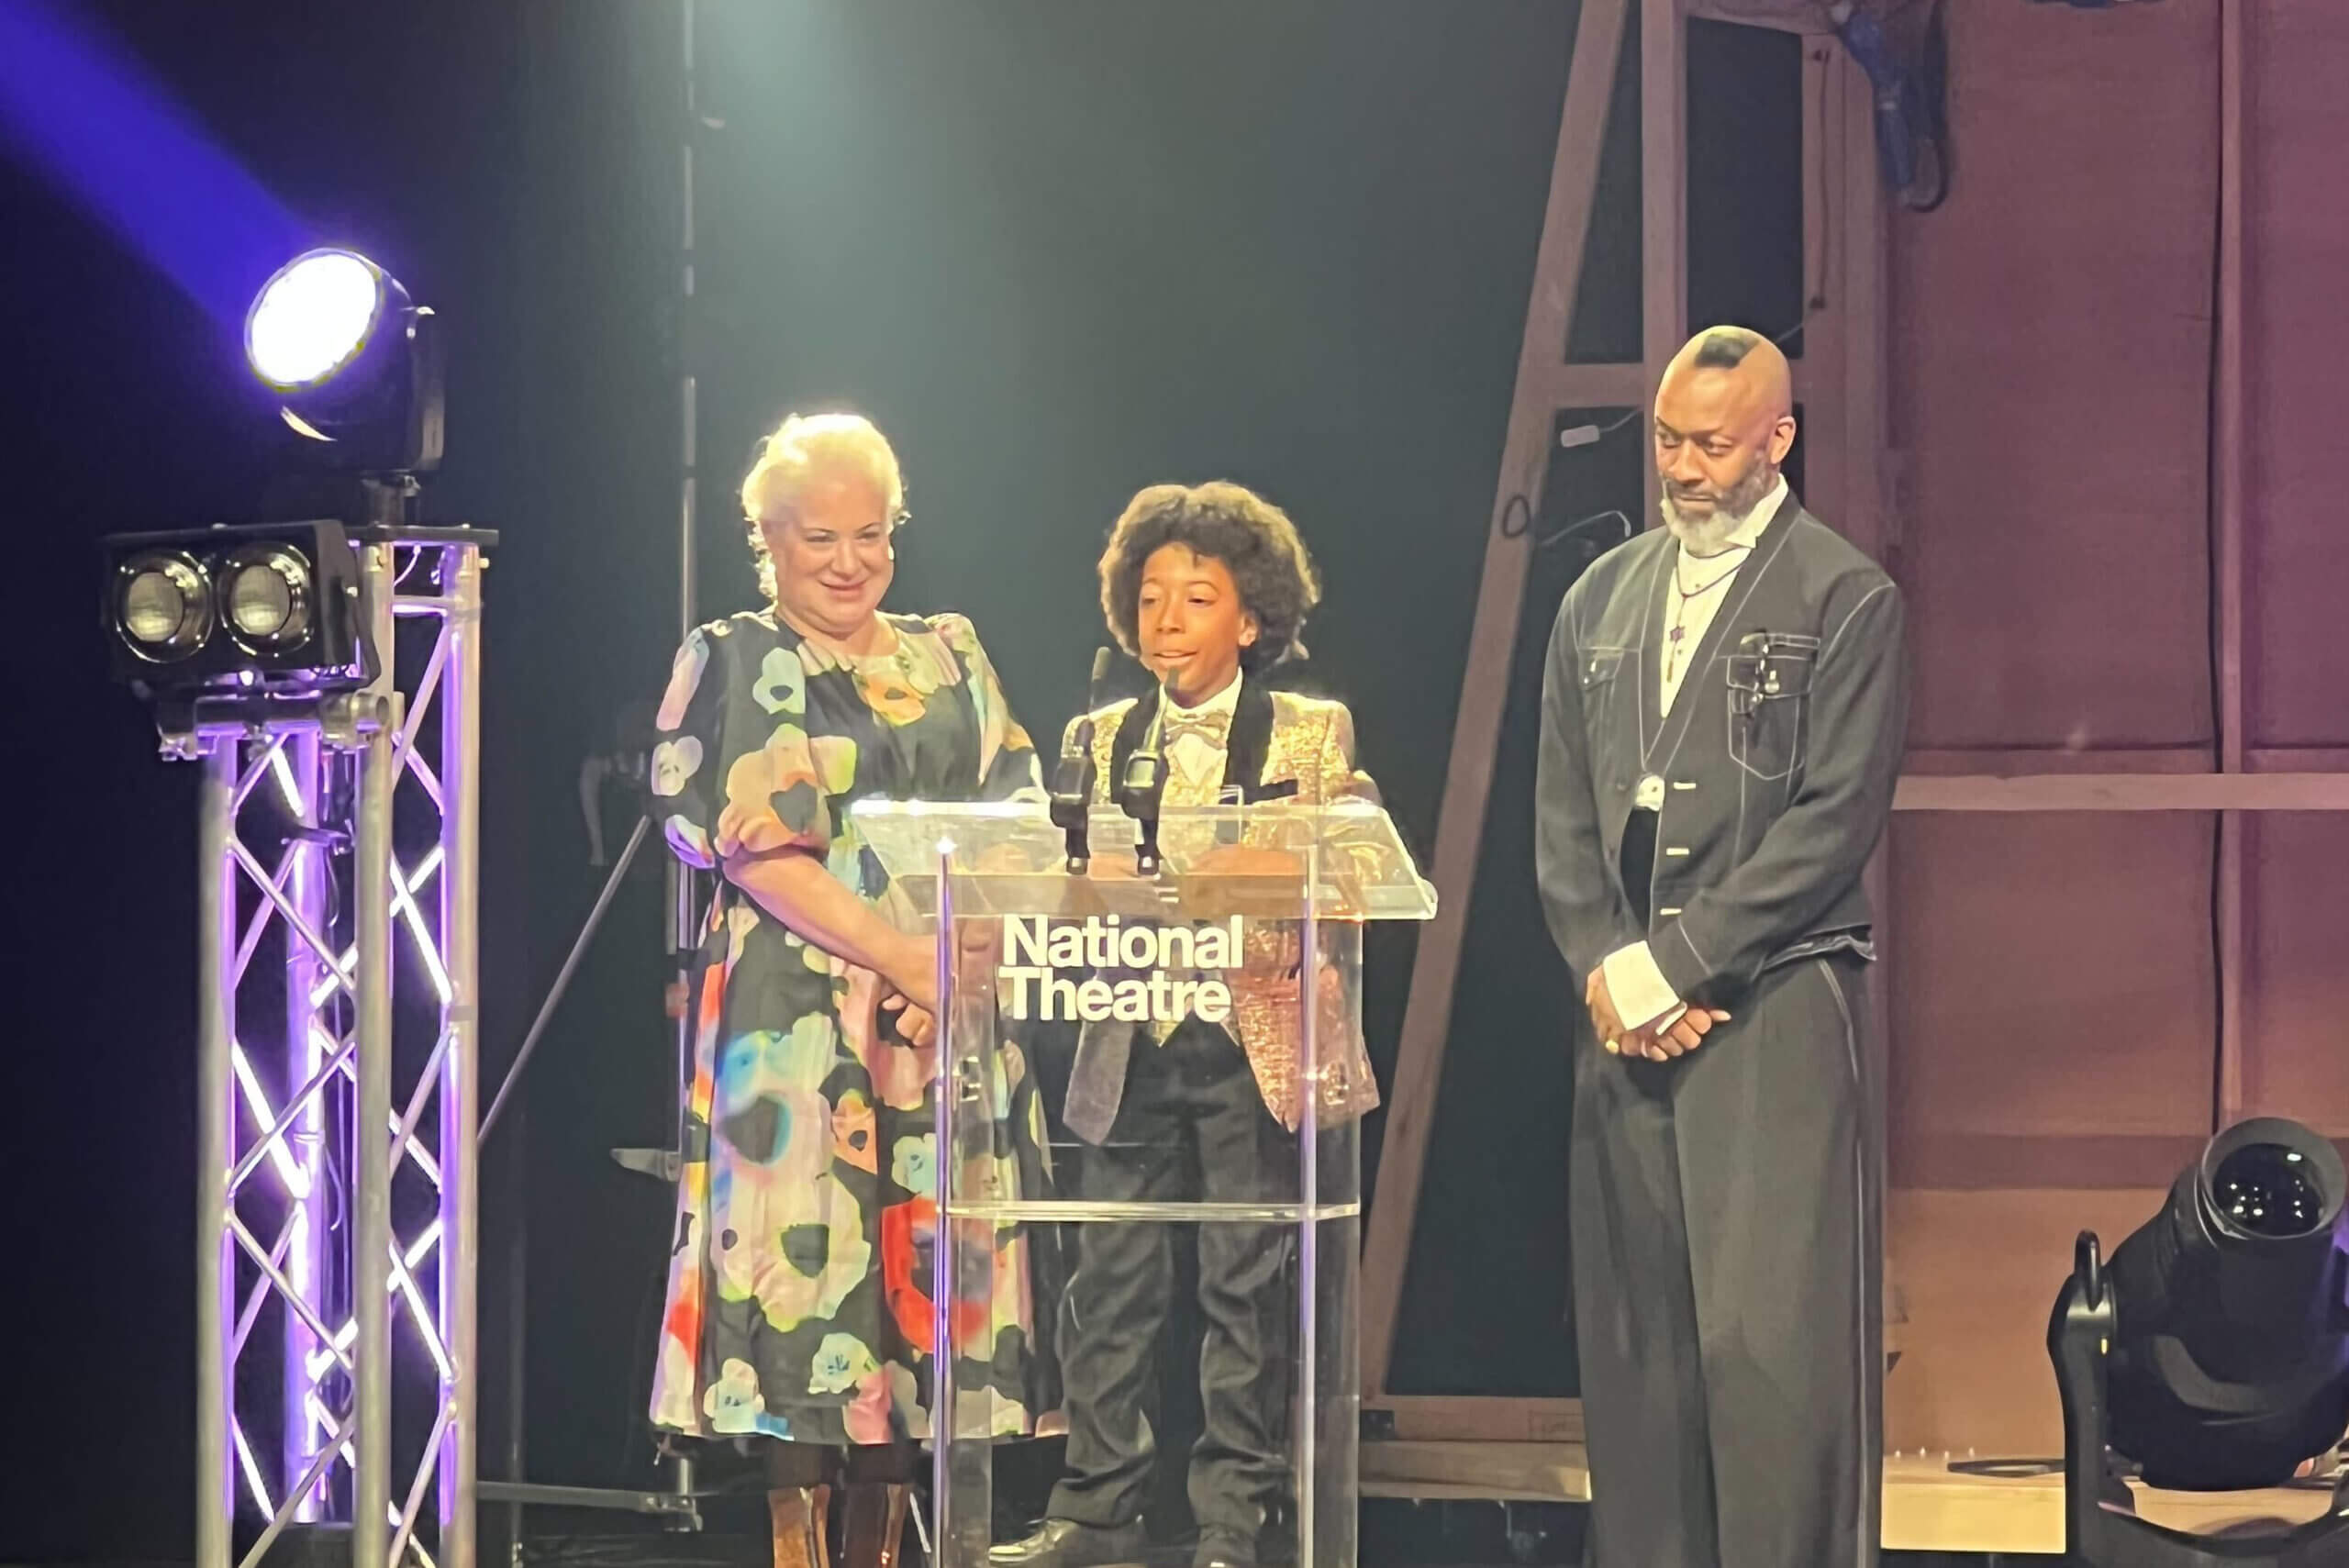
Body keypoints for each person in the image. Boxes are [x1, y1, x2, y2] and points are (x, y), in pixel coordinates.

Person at [647, 412, 1055, 1568]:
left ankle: (890, 1549)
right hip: (798, 1030)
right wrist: (901, 954)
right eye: (818, 535)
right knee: (808, 1295)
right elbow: (745, 844)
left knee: (917, 1295)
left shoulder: (952, 654)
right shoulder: (732, 654)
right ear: (765, 538)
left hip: (943, 1017)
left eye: (869, 534)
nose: (847, 559)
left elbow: (1019, 819)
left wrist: (959, 964)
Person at [1534, 328, 1909, 1568]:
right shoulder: (1601, 597)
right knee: (1641, 1363)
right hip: (1623, 1022)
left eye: (1714, 445)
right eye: (1669, 441)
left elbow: (1833, 822)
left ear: (1779, 439)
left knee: (1771, 1360)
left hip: (1775, 1010)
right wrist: (1609, 967)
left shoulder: (1844, 596)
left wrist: (1677, 965)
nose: (1686, 470)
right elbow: (1563, 820)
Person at [991, 483, 1375, 1568]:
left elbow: (1333, 864)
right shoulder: (1096, 736)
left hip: (1251, 1040)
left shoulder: (1310, 727)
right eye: (1151, 595)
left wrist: (1202, 875)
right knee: (1107, 1283)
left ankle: (1231, 1521)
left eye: (1194, 597)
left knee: (1242, 1286)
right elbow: (1066, 881)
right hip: (1127, 1031)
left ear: (1248, 617)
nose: (1165, 618)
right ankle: (1095, 1507)